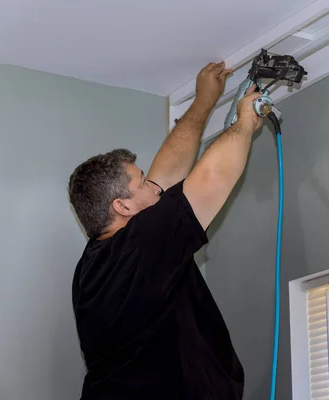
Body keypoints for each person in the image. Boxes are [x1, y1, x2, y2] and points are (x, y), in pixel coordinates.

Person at [68, 61, 263, 399]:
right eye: (142, 182)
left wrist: (204, 101)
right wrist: (246, 122)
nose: (155, 188)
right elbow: (211, 179)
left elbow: (168, 170)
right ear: (123, 207)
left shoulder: (96, 265)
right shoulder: (138, 246)